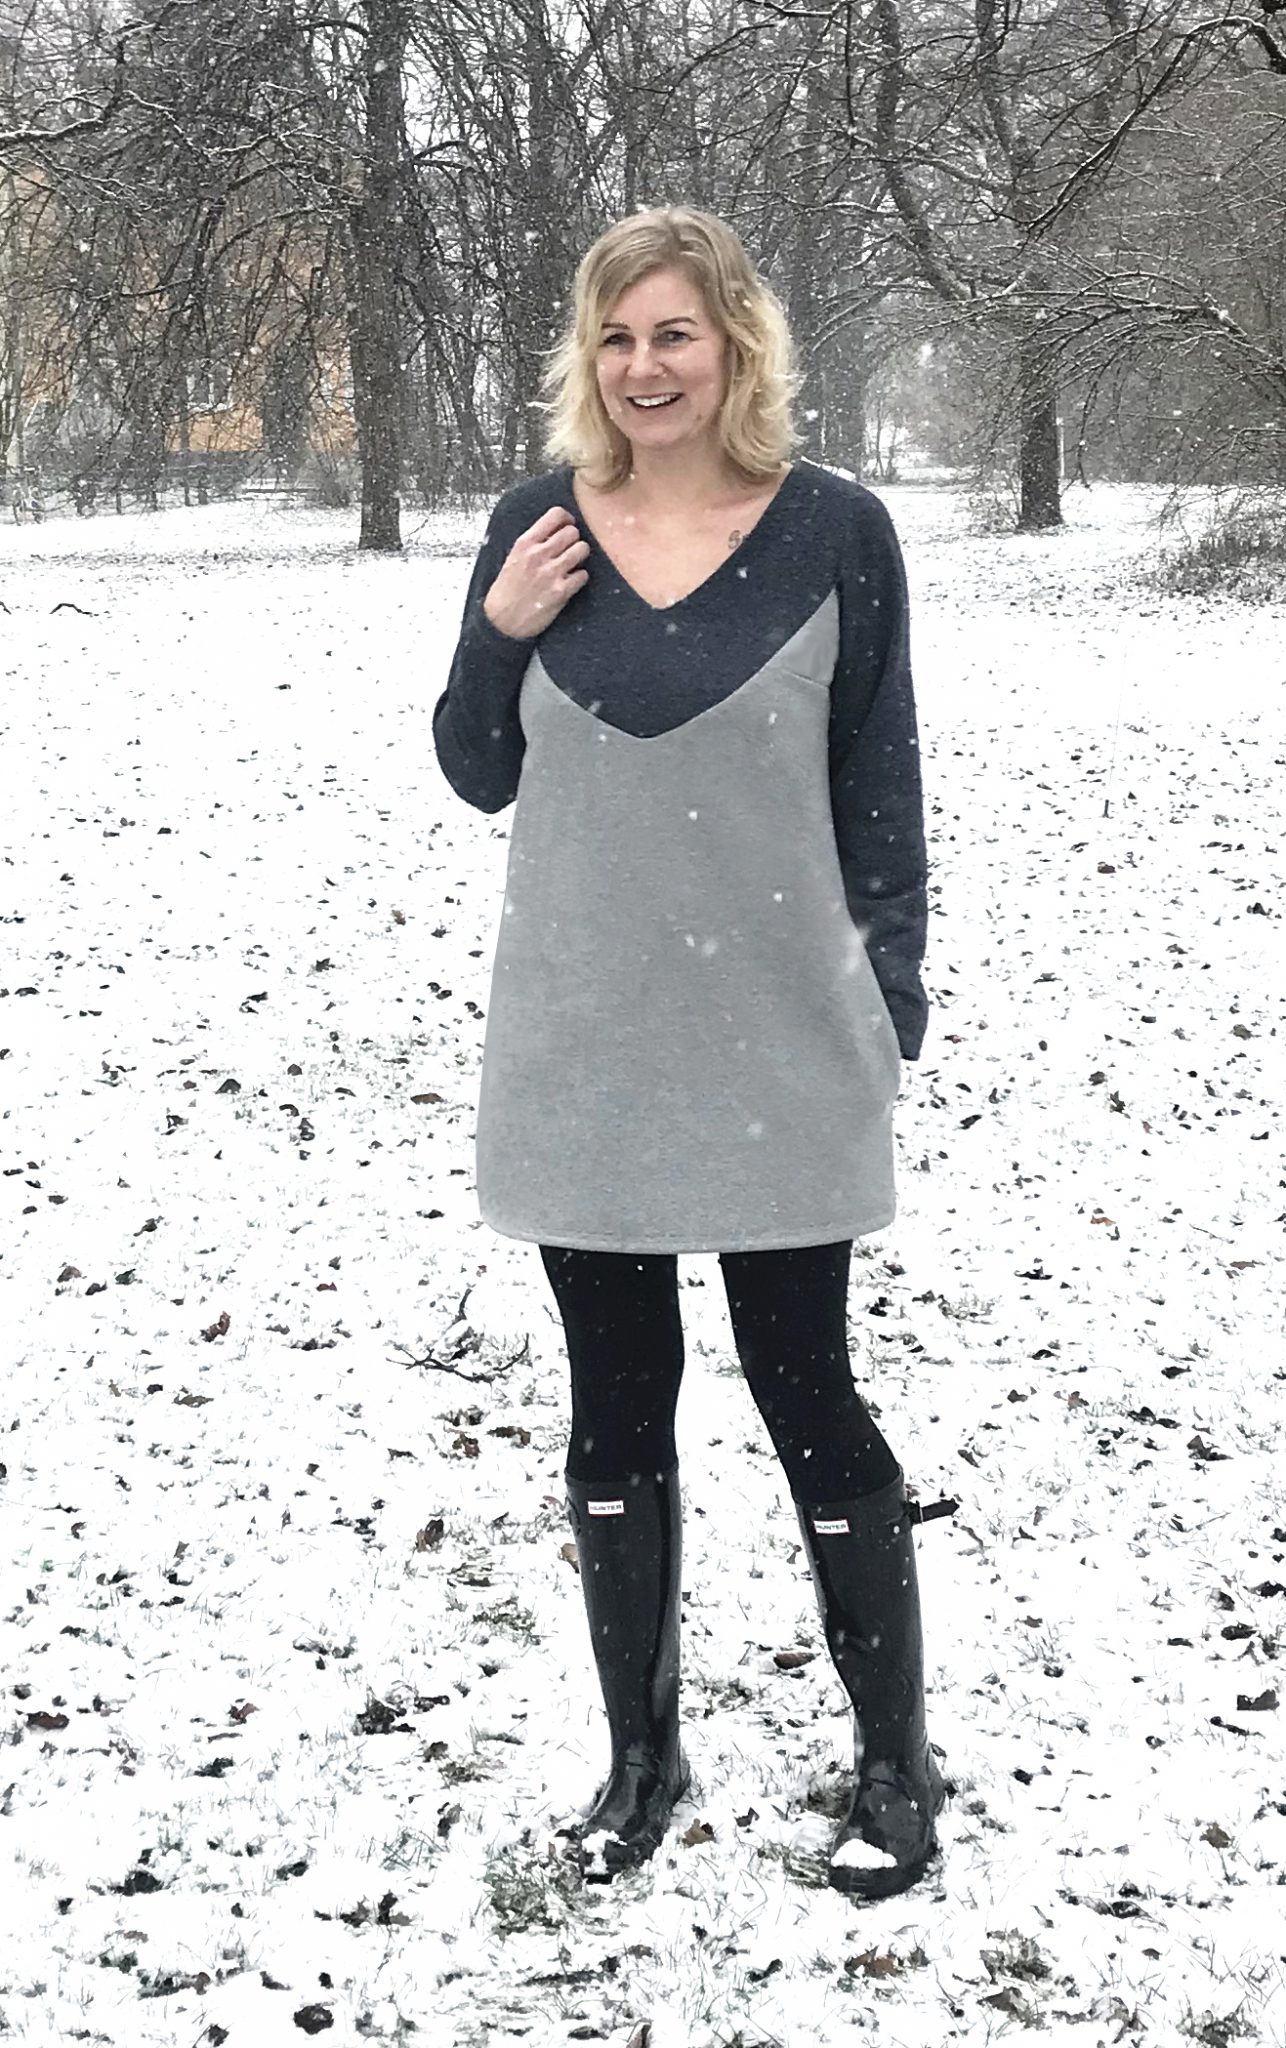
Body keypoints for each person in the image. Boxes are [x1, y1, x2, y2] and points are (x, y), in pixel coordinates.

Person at [433, 205, 946, 1901]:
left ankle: (894, 1764)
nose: (642, 367)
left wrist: (888, 997)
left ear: (735, 347)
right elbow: (474, 767)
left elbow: (879, 778)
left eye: (674, 333)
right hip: (584, 1036)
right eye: (614, 336)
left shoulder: (835, 532)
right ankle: (639, 1761)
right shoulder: (537, 529)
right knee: (612, 1410)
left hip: (780, 1034)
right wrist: (500, 624)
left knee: (811, 1399)